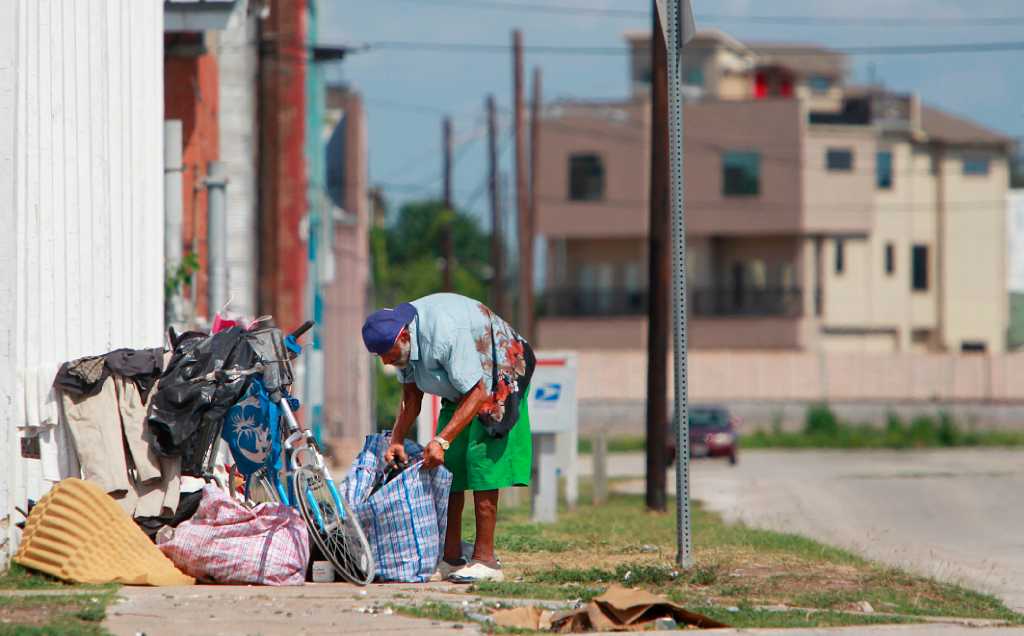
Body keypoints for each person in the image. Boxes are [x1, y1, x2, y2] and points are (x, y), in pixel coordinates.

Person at [361, 293, 535, 583]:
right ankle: (451, 557)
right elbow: (411, 397)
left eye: (389, 354)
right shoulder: (403, 347)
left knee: (480, 461)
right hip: (465, 386)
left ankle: (486, 560)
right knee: (447, 467)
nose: (388, 362)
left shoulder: (442, 333)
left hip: (500, 372)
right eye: (381, 358)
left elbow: (479, 392)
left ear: (403, 335)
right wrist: (397, 439)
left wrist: (441, 440)